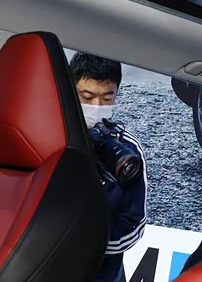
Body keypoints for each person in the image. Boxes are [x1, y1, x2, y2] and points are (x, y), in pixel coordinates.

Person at [71, 52, 147, 282]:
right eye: (87, 96)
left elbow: (134, 224)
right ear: (69, 90)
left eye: (106, 98)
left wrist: (84, 241)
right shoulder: (44, 135)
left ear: (117, 94)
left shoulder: (128, 149)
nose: (96, 106)